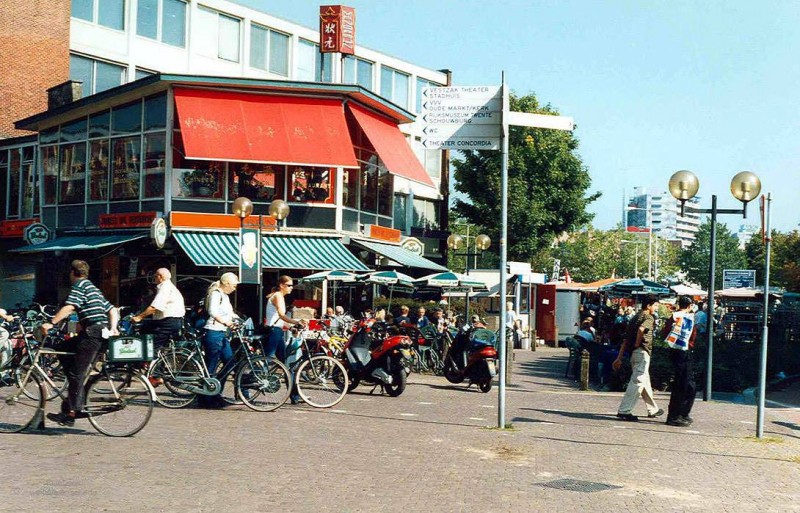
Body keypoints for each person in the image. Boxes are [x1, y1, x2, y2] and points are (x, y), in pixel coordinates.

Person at [42, 260, 119, 426]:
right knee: (62, 348)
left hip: (92, 333)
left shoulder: (80, 286)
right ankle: (74, 394)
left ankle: (71, 413)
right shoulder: (93, 288)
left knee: (77, 373)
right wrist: (113, 328)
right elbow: (113, 310)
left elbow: (70, 307)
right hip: (98, 332)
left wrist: (52, 323)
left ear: (72, 273)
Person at [612, 294, 663, 422]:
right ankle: (624, 410)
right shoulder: (648, 317)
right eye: (655, 305)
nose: (657, 308)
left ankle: (653, 409)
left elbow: (626, 339)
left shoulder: (635, 317)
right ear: (649, 305)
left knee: (645, 382)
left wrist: (619, 357)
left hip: (634, 353)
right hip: (642, 352)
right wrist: (637, 343)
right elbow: (641, 330)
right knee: (638, 381)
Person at [199, 272, 240, 409]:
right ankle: (206, 398)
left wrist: (239, 319)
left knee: (230, 362)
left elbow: (230, 313)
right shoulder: (216, 294)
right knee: (211, 365)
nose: (235, 288)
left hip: (222, 333)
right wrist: (226, 322)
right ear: (227, 283)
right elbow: (212, 311)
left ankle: (216, 392)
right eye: (234, 285)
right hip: (213, 332)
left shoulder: (225, 296)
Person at [265, 275, 307, 404]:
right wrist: (297, 322)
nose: (291, 288)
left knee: (285, 365)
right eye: (289, 285)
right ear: (282, 285)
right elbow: (282, 316)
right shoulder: (278, 296)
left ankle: (295, 396)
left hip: (275, 331)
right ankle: (245, 384)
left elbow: (277, 318)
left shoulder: (277, 296)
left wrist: (290, 327)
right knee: (268, 361)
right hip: (274, 332)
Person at [660, 296, 697, 427]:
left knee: (689, 385)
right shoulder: (689, 318)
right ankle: (674, 416)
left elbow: (665, 333)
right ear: (690, 305)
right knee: (682, 384)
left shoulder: (674, 317)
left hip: (676, 351)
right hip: (684, 352)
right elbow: (693, 336)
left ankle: (682, 413)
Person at [132, 268, 185, 351]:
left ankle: (151, 361)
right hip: (172, 321)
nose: (154, 278)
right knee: (146, 330)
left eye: (155, 276)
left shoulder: (165, 287)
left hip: (168, 322)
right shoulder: (169, 286)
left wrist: (139, 317)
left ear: (160, 277)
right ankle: (158, 361)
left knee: (152, 346)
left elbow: (154, 307)